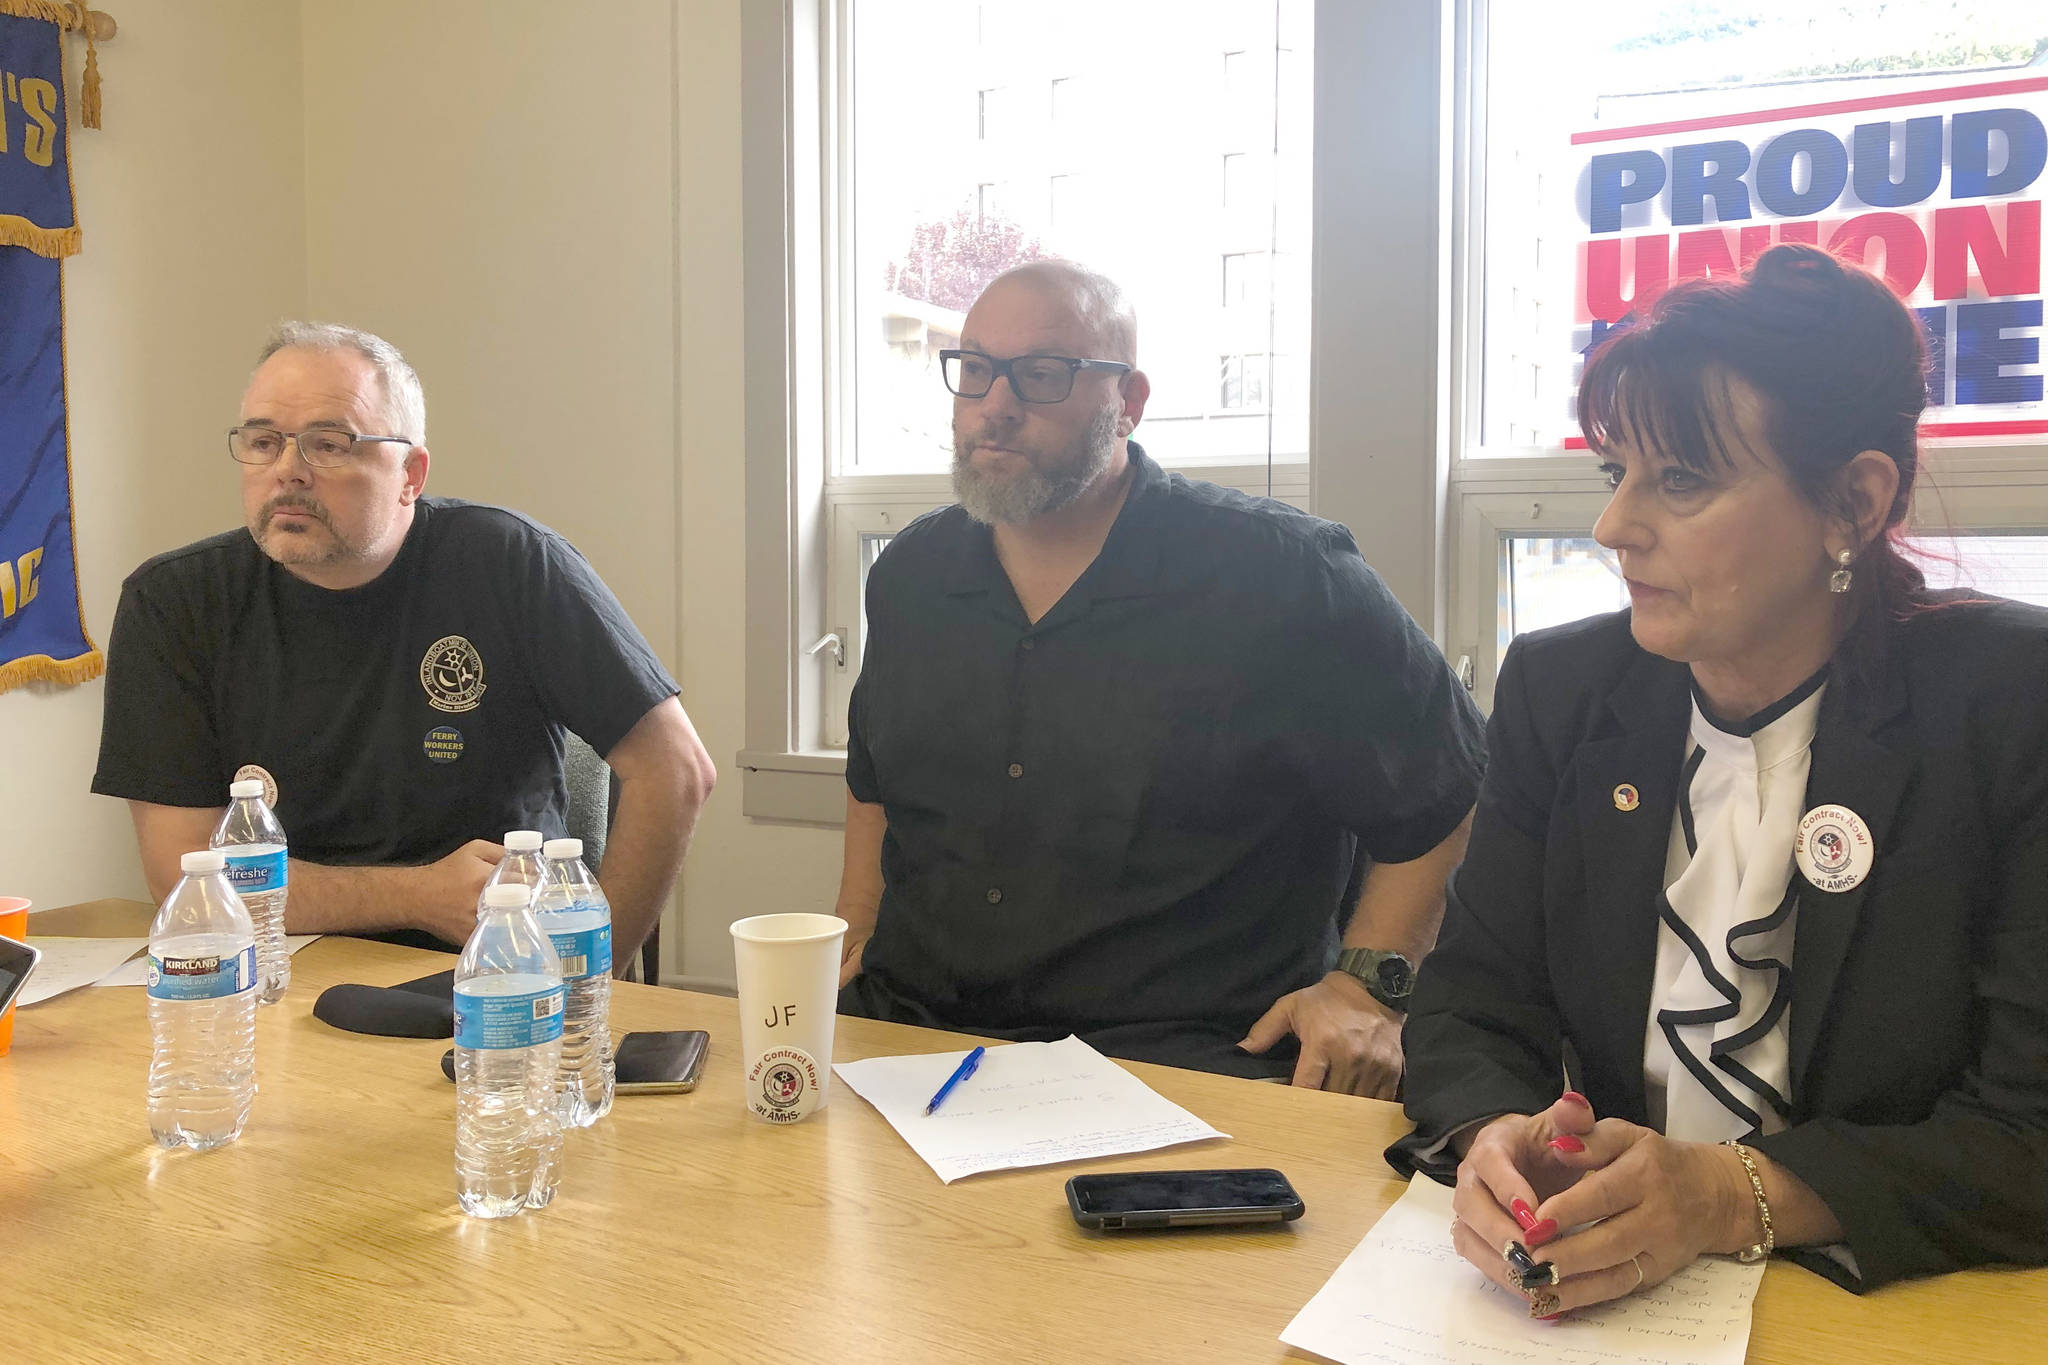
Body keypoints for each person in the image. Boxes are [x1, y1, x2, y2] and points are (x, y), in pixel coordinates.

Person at [1389, 244, 2048, 1310]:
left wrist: (1730, 1195)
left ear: (1850, 504)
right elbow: (1471, 1002)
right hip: (1610, 1293)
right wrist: (1495, 1142)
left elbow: (2027, 1135)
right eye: (1616, 476)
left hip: (1903, 1291)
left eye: (1680, 481)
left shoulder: (2011, 705)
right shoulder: (1566, 692)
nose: (1611, 529)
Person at [834, 261, 1483, 1093]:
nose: (996, 403)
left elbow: (1447, 788)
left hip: (1182, 1061)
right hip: (916, 1041)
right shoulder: (912, 576)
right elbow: (875, 784)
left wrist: (1368, 988)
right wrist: (849, 934)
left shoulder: (1280, 576)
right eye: (976, 370)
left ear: (1129, 401)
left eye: (1041, 374)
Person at [91, 322, 716, 957]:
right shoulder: (172, 602)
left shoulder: (511, 564)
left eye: (328, 445)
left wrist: (592, 979)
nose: (288, 472)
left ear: (410, 474)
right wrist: (416, 894)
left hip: (491, 978)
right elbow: (182, 873)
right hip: (272, 973)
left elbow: (676, 770)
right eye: (262, 442)